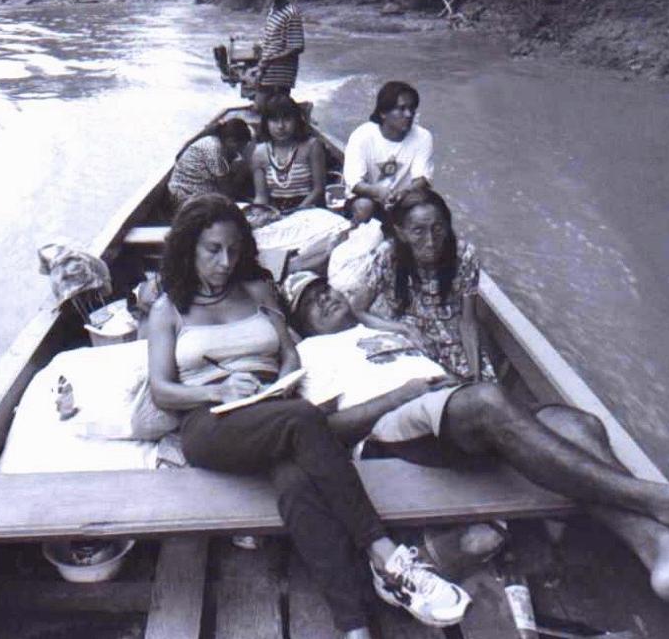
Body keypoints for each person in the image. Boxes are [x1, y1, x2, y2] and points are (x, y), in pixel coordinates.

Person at [285, 270, 669, 605]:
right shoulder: (311, 355)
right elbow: (323, 429)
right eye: (310, 302)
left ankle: (663, 551)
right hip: (394, 433)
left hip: (450, 417)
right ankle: (662, 500)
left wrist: (378, 326)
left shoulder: (385, 330)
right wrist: (402, 395)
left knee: (580, 427)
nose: (324, 298)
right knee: (487, 402)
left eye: (325, 289)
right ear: (301, 323)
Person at [147, 194, 471, 637]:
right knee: (303, 419)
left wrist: (277, 381)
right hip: (211, 423)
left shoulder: (258, 291)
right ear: (189, 249)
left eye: (234, 249)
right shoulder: (169, 309)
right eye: (213, 250)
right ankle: (387, 555)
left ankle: (354, 627)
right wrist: (217, 387)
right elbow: (161, 390)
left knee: (296, 484)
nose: (225, 261)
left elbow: (289, 353)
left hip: (271, 409)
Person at [351, 178, 494, 382]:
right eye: (418, 231)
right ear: (401, 233)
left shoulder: (464, 255)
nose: (430, 241)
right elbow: (357, 309)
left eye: (437, 229)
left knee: (482, 390)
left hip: (451, 337)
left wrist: (476, 375)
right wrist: (404, 329)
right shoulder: (387, 256)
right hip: (406, 336)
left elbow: (467, 320)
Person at [343, 81, 435, 223]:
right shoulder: (361, 136)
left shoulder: (423, 137)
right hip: (368, 197)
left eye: (412, 109)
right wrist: (378, 192)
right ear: (383, 113)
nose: (409, 114)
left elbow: (422, 179)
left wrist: (403, 193)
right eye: (401, 109)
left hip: (403, 199)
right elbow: (355, 184)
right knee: (364, 206)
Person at [251, 95, 326, 213]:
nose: (280, 126)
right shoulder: (259, 153)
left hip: (309, 210)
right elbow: (261, 197)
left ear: (296, 121)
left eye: (287, 119)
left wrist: (296, 213)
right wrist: (257, 213)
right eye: (274, 120)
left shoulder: (312, 146)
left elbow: (318, 190)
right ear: (266, 123)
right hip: (276, 213)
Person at [166, 118, 252, 211]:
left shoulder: (216, 143)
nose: (240, 151)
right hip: (185, 194)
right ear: (231, 140)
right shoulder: (214, 149)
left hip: (199, 188)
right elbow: (225, 189)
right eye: (240, 146)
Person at [253, 0, 304, 111]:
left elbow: (297, 47)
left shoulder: (291, 13)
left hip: (280, 73)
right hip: (267, 69)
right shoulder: (272, 11)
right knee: (262, 108)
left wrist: (270, 59)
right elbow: (273, 40)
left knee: (267, 108)